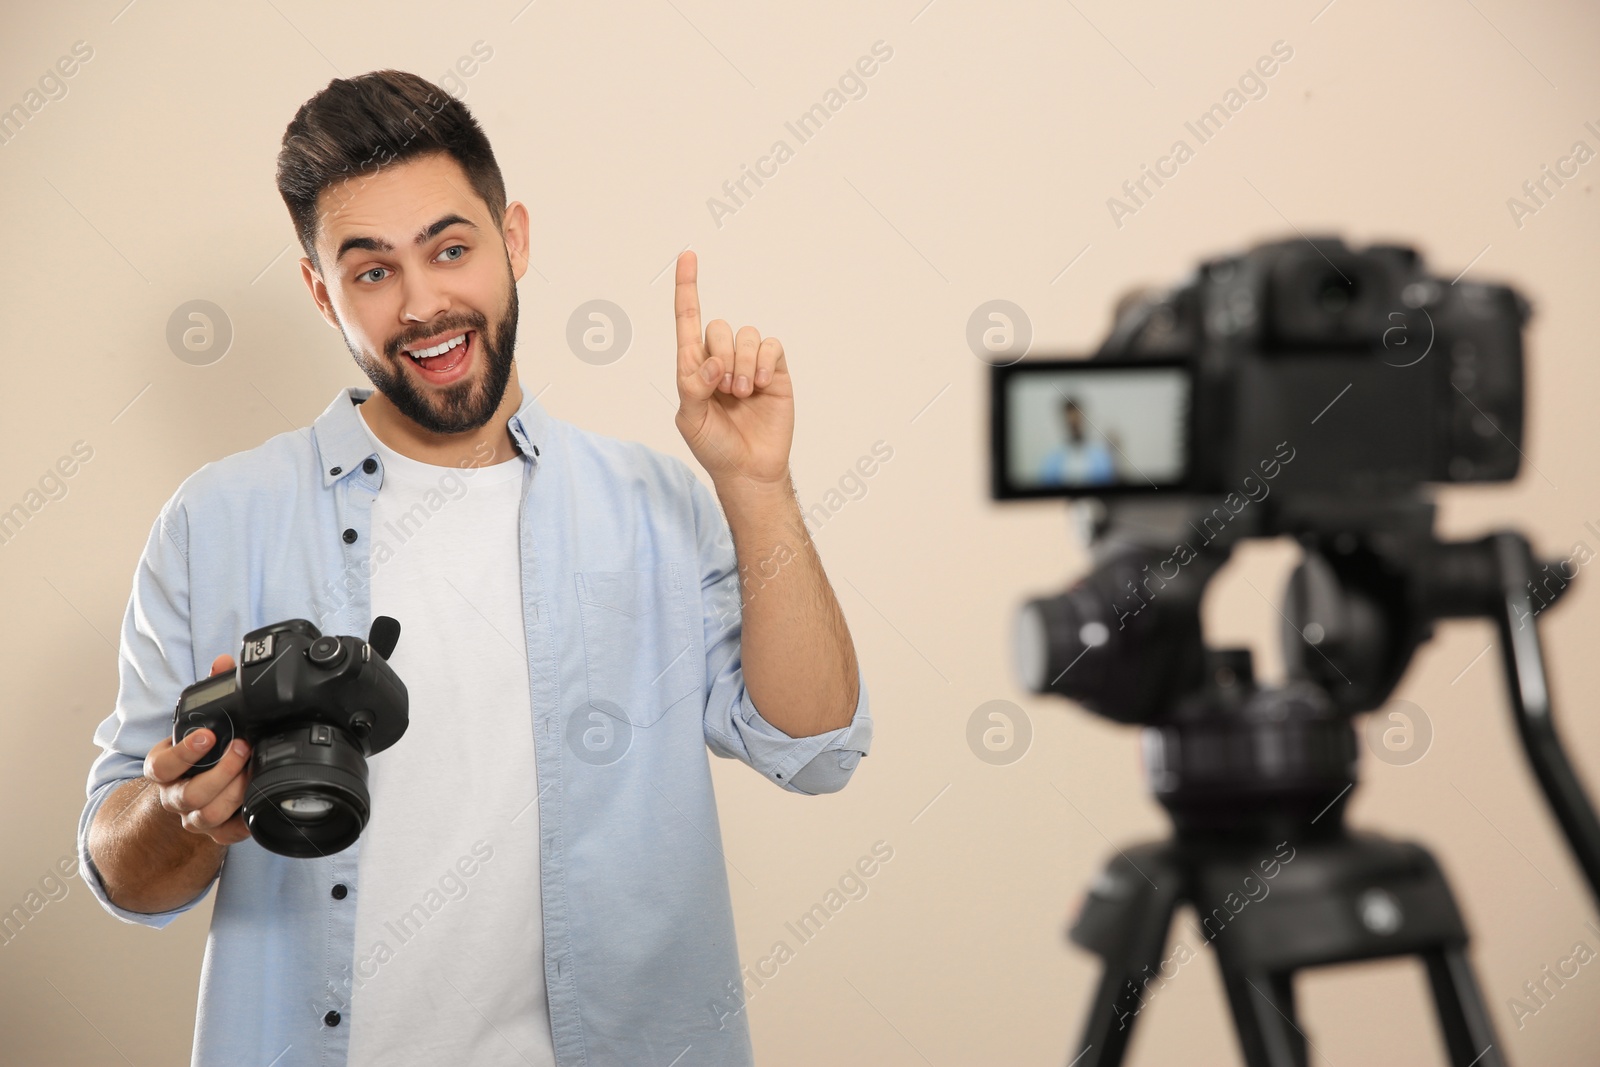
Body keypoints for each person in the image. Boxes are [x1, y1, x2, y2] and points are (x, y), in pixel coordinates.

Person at [77, 70, 872, 1067]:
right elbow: (123, 872)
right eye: (371, 271)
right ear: (321, 290)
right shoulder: (218, 517)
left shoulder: (651, 505)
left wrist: (757, 485)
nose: (423, 303)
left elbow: (816, 749)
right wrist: (178, 807)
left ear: (515, 240)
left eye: (451, 249)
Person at [1036, 396, 1116, 486]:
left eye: (1077, 421)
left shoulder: (1101, 455)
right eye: (1071, 423)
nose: (1075, 427)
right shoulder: (1052, 459)